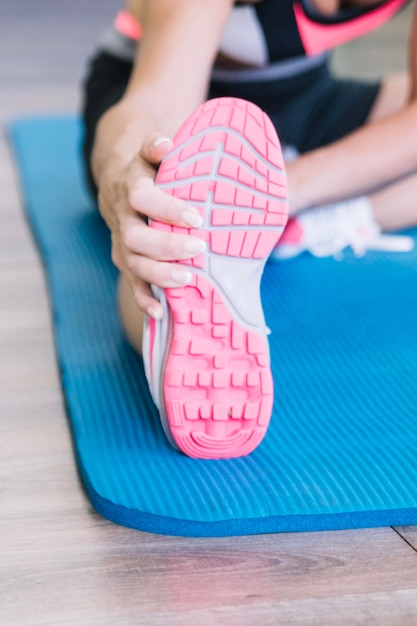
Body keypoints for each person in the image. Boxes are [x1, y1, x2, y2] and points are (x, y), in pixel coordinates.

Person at [82, 0, 417, 458]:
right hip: (163, 117)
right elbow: (153, 104)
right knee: (170, 221)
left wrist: (287, 188)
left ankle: (306, 216)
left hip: (302, 98)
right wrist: (127, 178)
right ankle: (169, 327)